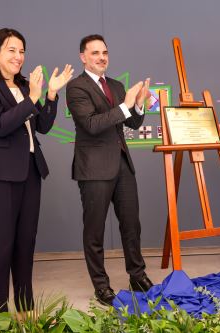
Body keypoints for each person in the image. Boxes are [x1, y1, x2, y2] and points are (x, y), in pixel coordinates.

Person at [0, 28, 73, 313]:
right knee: (2, 245)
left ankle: (26, 310)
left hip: (29, 170)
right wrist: (32, 98)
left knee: (26, 243)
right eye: (12, 50)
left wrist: (50, 94)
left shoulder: (26, 85)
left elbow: (43, 126)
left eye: (22, 51)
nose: (18, 56)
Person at [66, 34, 152, 306]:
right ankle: (101, 285)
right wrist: (126, 105)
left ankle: (137, 276)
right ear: (83, 57)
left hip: (122, 165)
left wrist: (138, 104)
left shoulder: (116, 85)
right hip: (93, 169)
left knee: (131, 225)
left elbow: (134, 123)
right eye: (95, 53)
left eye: (104, 52)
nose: (101, 57)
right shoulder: (76, 87)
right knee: (95, 231)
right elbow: (91, 124)